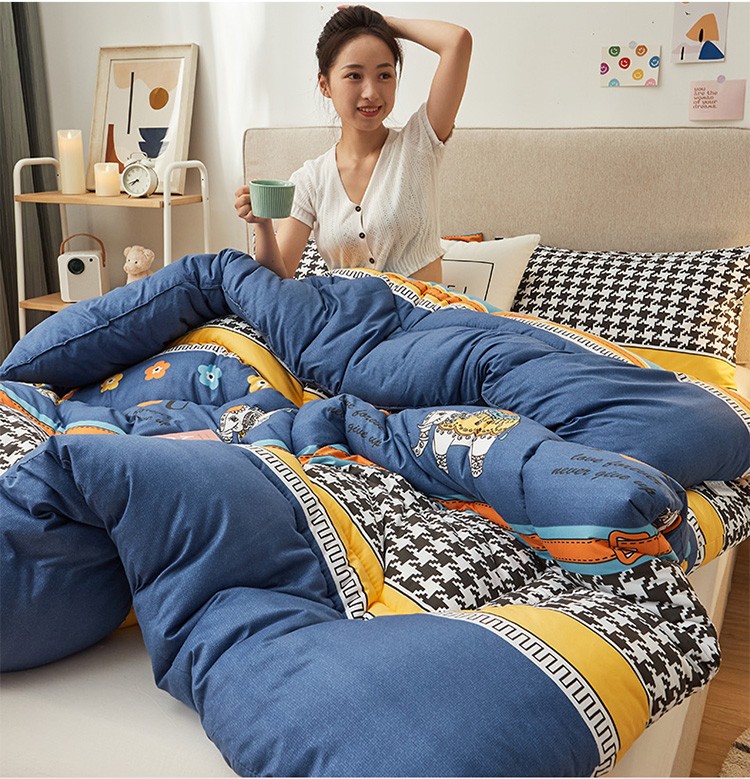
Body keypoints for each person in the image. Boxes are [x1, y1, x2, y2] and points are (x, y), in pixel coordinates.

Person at [234, 4, 472, 282]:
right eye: (354, 76)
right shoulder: (311, 181)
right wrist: (262, 224)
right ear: (325, 85)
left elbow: (457, 41)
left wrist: (384, 24)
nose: (371, 93)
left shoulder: (419, 146)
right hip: (346, 309)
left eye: (384, 75)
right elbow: (276, 279)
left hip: (421, 308)